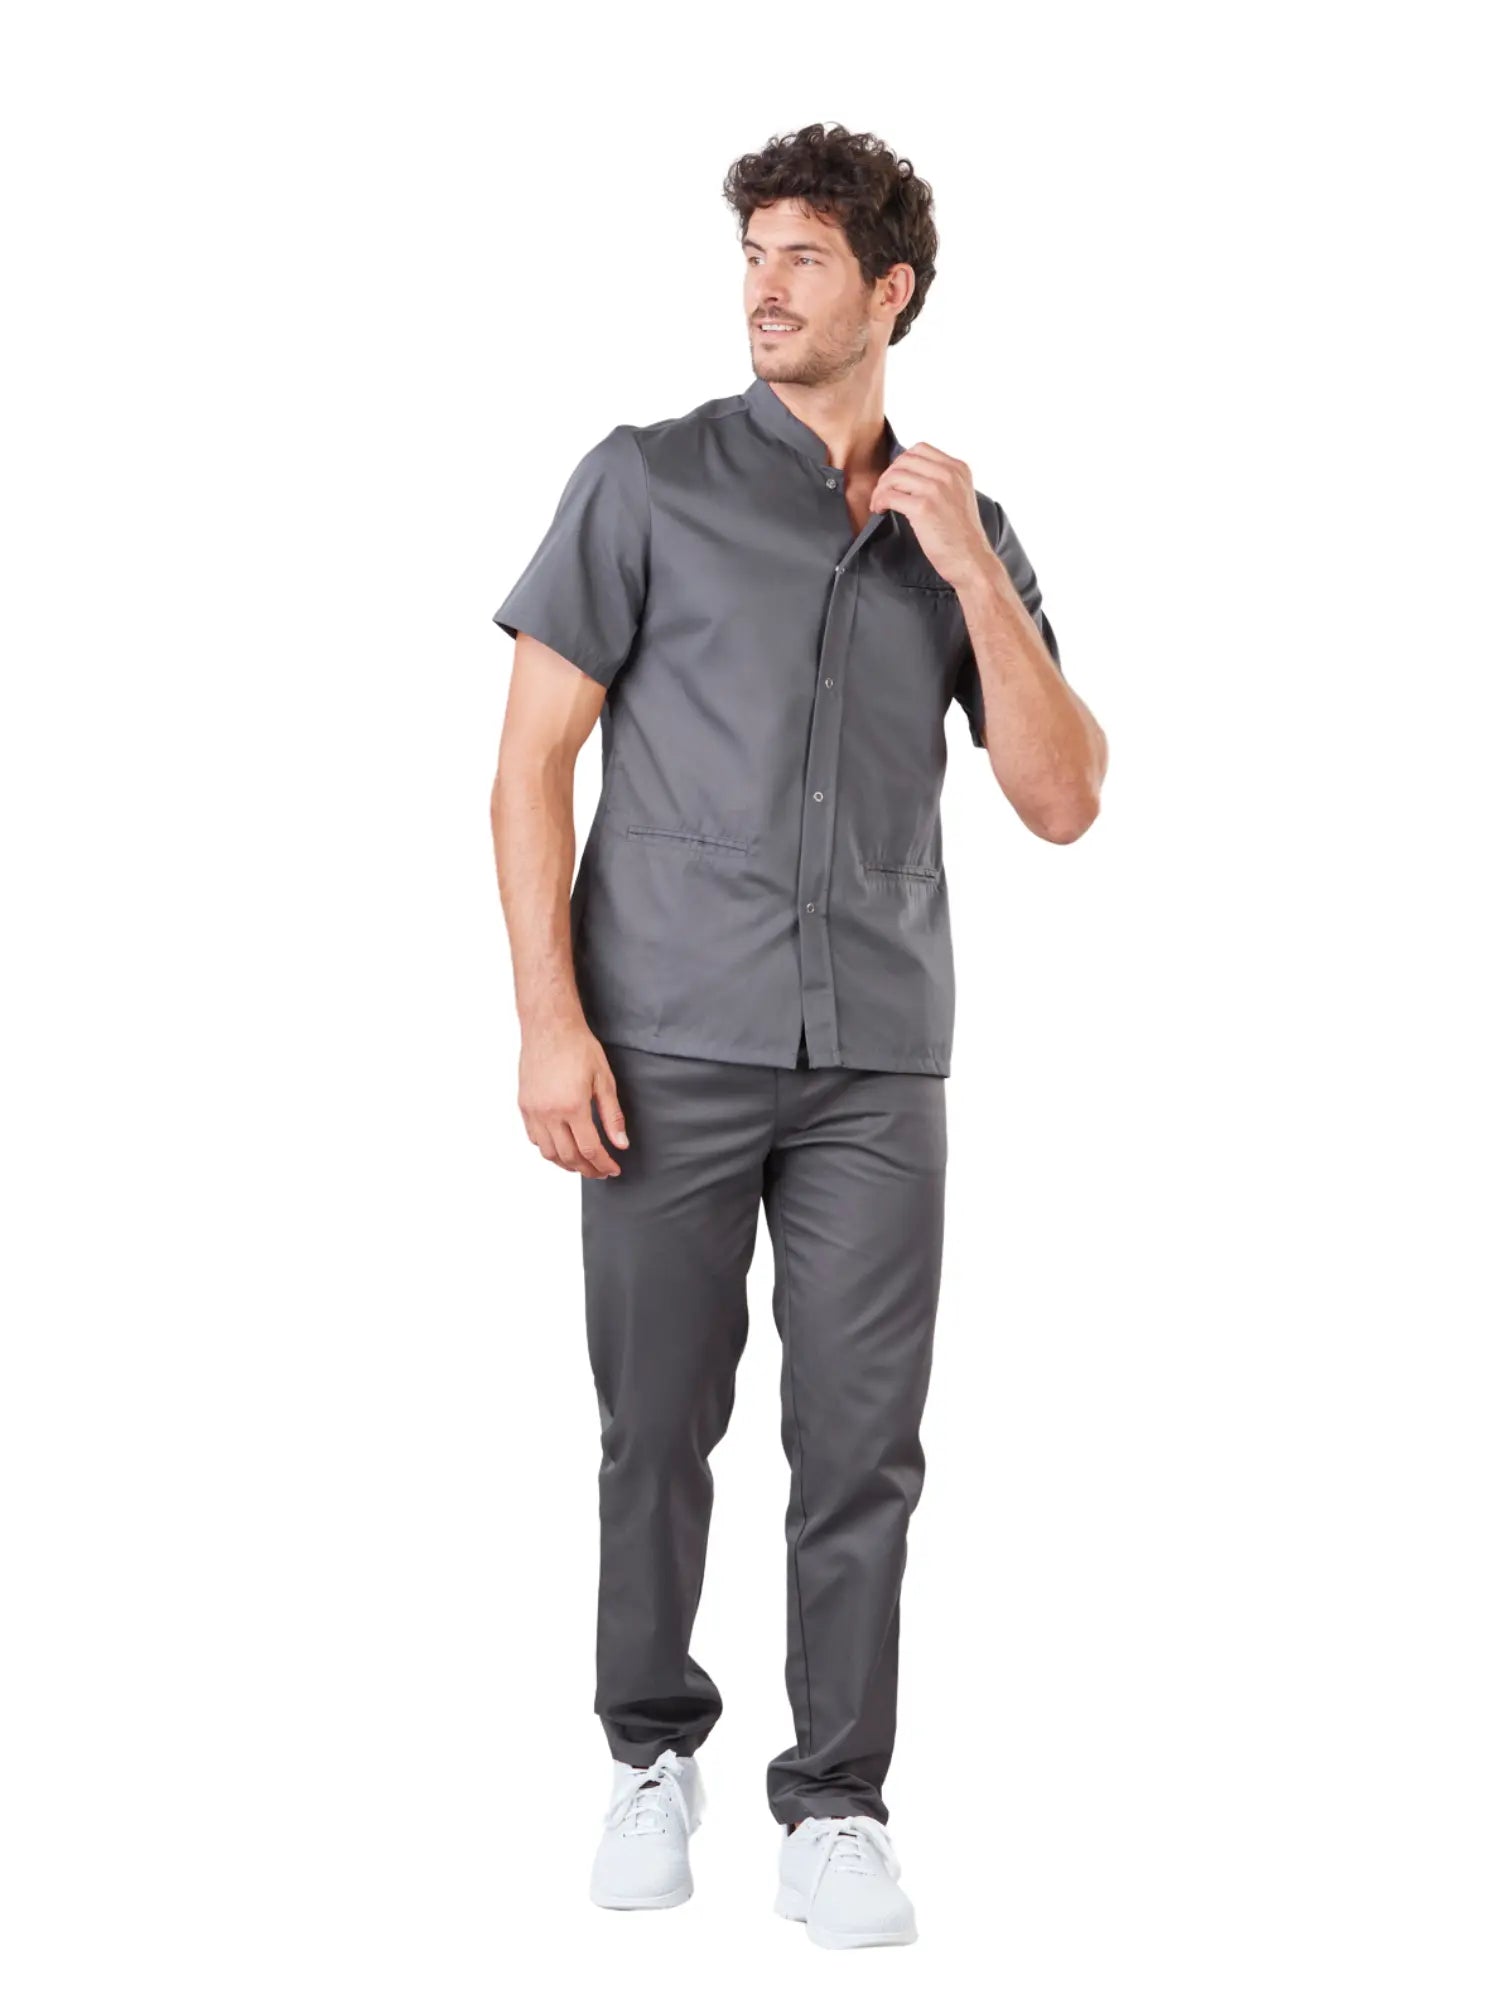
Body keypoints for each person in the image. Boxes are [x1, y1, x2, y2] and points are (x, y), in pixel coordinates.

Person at [488, 122, 1107, 1951]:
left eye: (805, 258)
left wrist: (970, 571)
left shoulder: (960, 526)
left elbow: (1064, 799)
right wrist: (548, 1024)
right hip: (663, 1041)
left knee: (862, 1447)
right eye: (752, 253)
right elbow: (527, 768)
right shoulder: (645, 481)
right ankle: (647, 1753)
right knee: (655, 1427)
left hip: (877, 1065)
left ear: (890, 291)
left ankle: (836, 1804)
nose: (764, 288)